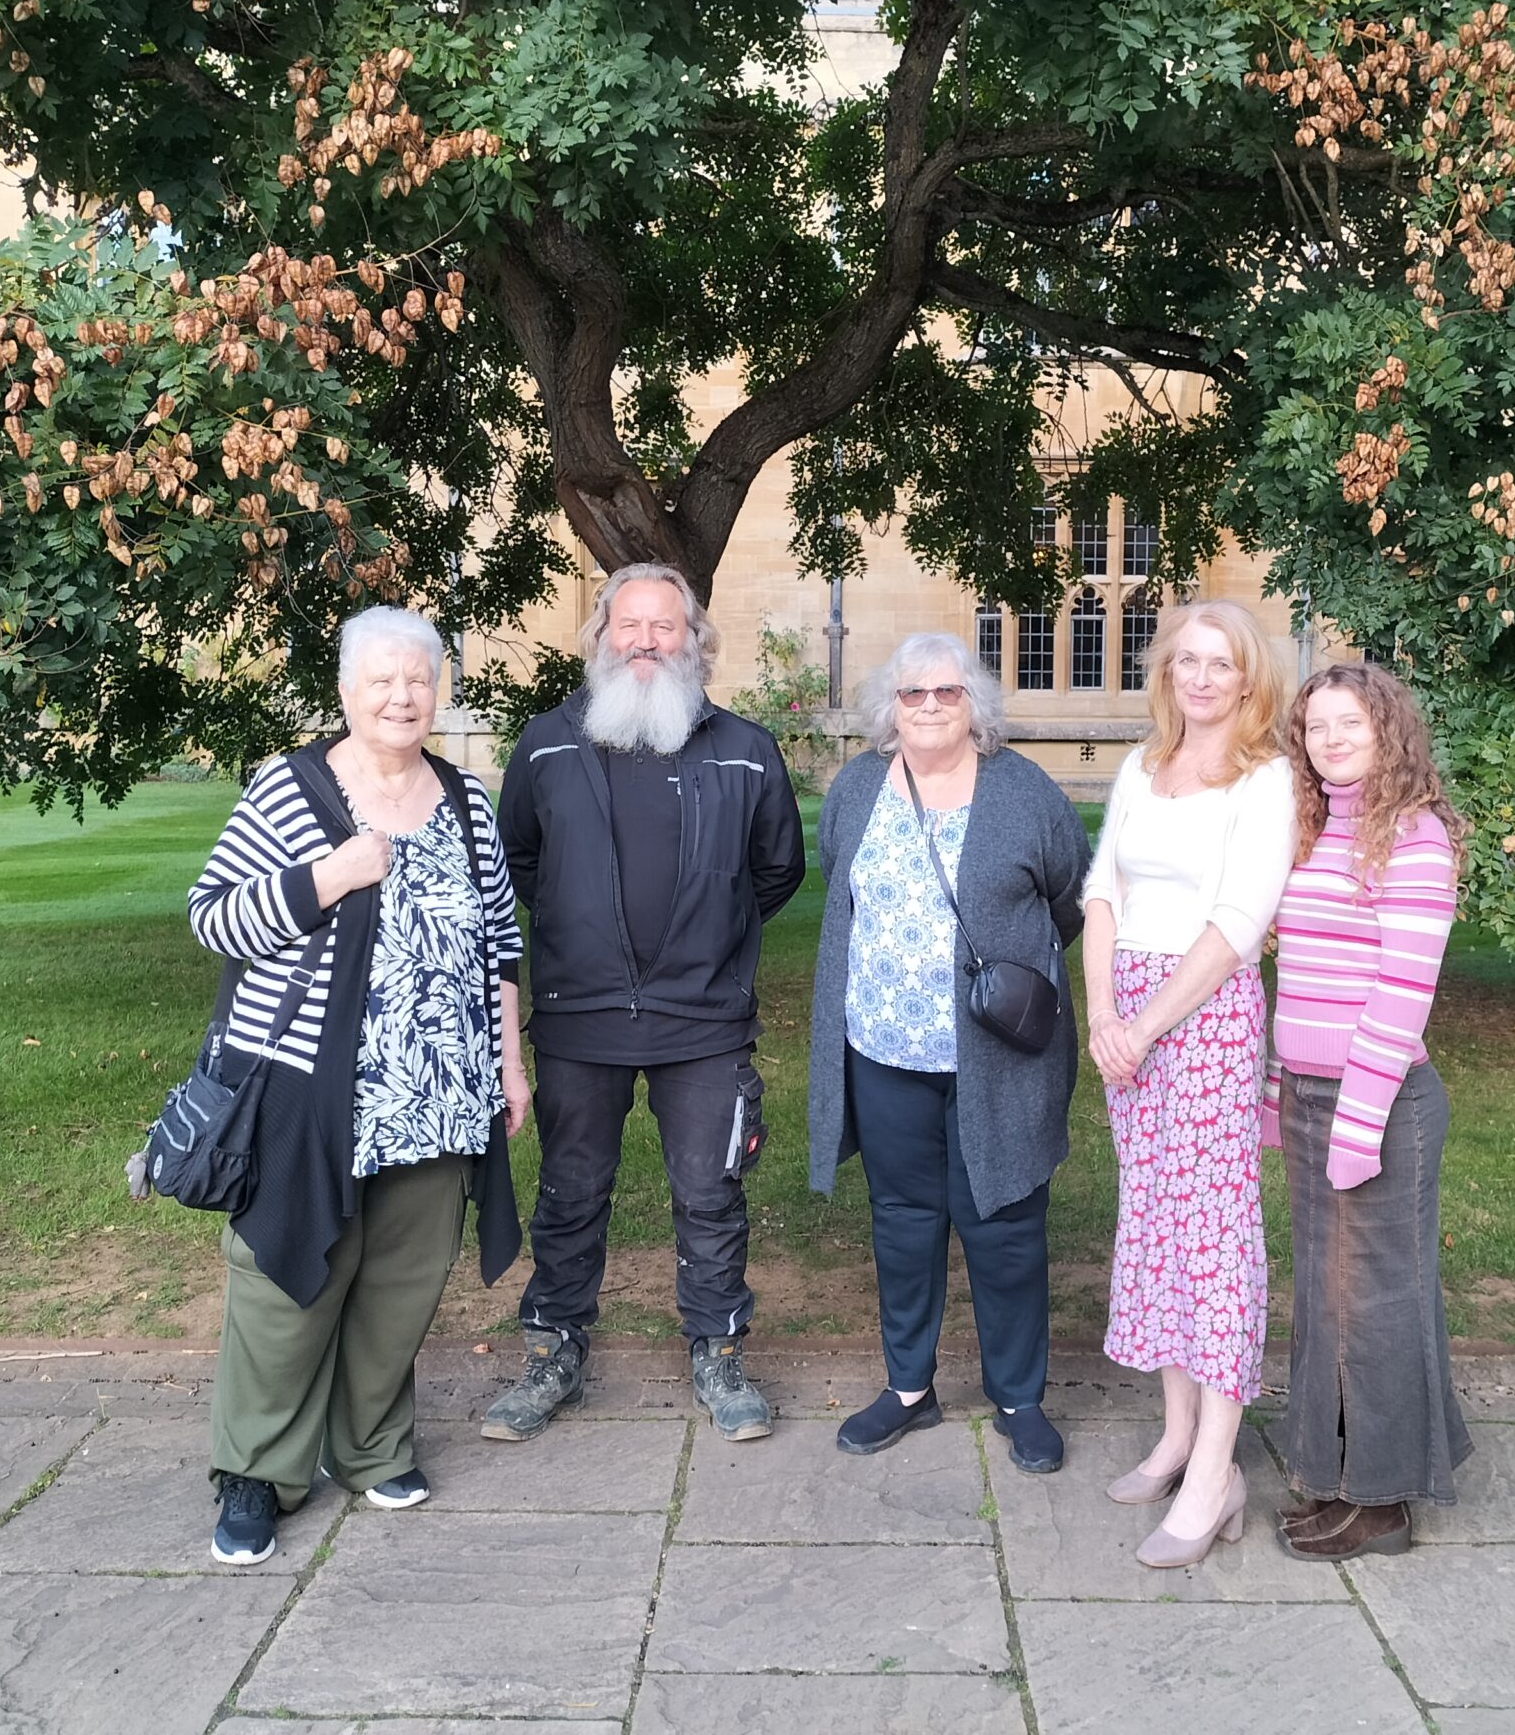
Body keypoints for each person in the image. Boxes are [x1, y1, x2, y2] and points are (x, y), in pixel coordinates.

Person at [188, 605, 529, 1567]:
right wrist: (325, 880)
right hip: (313, 1091)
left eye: (418, 679)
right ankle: (257, 1472)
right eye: (380, 680)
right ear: (345, 692)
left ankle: (371, 1448)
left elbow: (502, 944)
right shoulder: (290, 793)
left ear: (439, 691)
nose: (400, 695)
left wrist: (509, 1060)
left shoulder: (466, 801)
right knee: (289, 1277)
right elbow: (212, 920)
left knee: (402, 1283)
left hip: (441, 1094)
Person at [487, 561, 807, 1445]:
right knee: (570, 1189)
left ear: (694, 640)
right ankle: (555, 1348)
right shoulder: (548, 743)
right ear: (599, 638)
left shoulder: (746, 749)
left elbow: (778, 869)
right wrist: (572, 920)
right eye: (628, 625)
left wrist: (715, 927)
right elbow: (518, 861)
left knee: (711, 1194)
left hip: (702, 1021)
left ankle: (719, 1349)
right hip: (579, 1018)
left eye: (664, 626)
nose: (645, 641)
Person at [807, 633, 1090, 1473]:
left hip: (996, 1059)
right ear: (889, 709)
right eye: (912, 695)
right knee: (902, 1221)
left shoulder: (1024, 792)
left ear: (976, 705)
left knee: (1003, 1225)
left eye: (947, 692)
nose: (929, 706)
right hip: (883, 1051)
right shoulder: (856, 788)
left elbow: (1070, 900)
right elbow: (840, 884)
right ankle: (908, 1388)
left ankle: (1018, 1397)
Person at [1082, 598, 1296, 1567]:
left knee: (1214, 1239)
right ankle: (1174, 1435)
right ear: (1165, 672)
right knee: (1157, 1222)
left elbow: (1237, 922)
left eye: (1221, 664)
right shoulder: (1139, 766)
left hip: (1200, 1016)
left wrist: (1144, 1025)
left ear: (1248, 680)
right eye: (1186, 662)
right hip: (1124, 1017)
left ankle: (1217, 1471)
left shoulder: (1265, 778)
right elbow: (1099, 894)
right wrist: (1101, 1021)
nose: (1202, 678)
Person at [1269, 660, 1471, 1560]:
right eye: (1317, 727)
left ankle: (1383, 1503)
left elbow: (1401, 994)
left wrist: (1356, 1122)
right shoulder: (1312, 831)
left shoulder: (1416, 837)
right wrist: (1283, 1095)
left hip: (1380, 1106)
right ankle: (1335, 1474)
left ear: (1387, 730)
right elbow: (1298, 977)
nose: (1332, 739)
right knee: (1326, 1300)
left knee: (1376, 1303)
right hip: (1313, 1100)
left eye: (1350, 723)